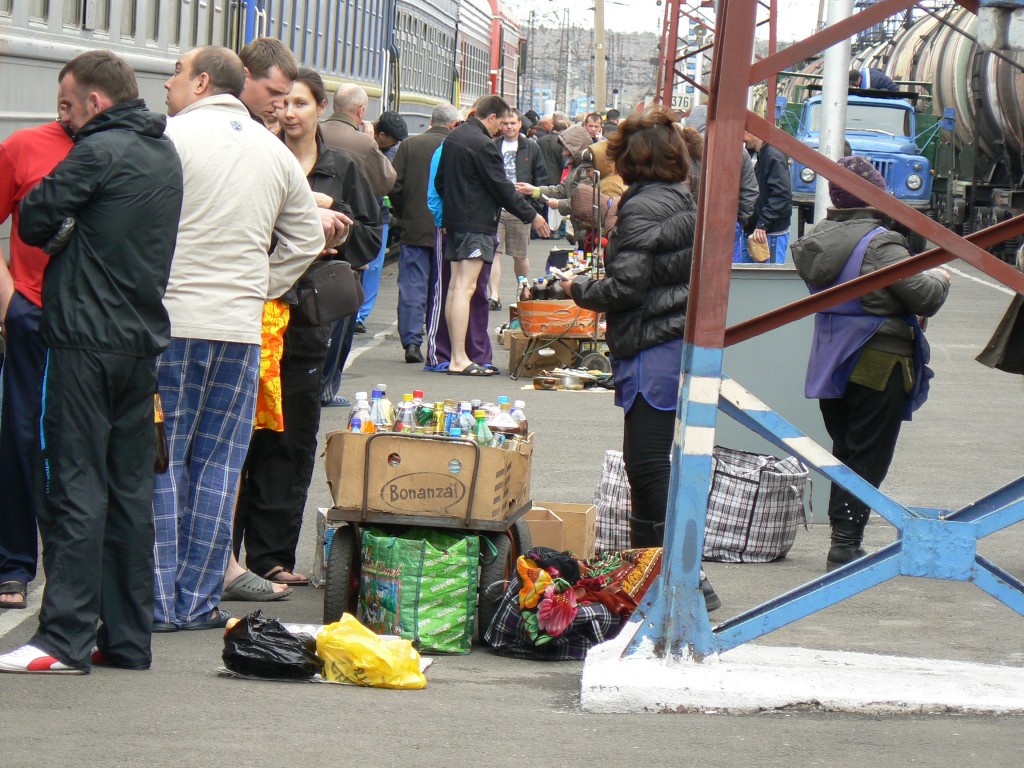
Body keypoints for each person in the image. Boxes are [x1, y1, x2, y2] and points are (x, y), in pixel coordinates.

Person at [0, 50, 184, 674]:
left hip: (80, 341)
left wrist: (67, 220)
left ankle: (63, 639)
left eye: (67, 107)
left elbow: (32, 218)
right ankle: (127, 639)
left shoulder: (96, 151)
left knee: (73, 485)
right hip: (138, 343)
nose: (64, 119)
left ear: (95, 103)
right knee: (130, 492)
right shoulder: (163, 154)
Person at [152, 44, 325, 632]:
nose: (169, 82)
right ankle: (200, 601)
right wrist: (260, 286)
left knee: (163, 460)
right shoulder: (270, 150)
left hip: (172, 325)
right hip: (240, 331)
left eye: (177, 72)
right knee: (220, 465)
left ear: (202, 82)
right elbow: (305, 237)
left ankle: (159, 599)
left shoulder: (170, 140)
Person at [555, 107, 720, 612]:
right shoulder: (682, 199)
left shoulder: (643, 206)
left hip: (652, 343)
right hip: (669, 339)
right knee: (648, 463)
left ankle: (680, 575)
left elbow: (627, 286)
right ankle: (651, 569)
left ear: (634, 159)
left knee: (646, 465)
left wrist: (579, 288)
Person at [233, 69, 381, 587]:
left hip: (308, 321)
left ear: (320, 108)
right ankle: (224, 557)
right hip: (251, 314)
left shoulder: (341, 167)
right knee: (238, 442)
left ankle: (271, 556)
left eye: (300, 103)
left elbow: (371, 239)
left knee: (291, 441)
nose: (289, 111)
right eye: (284, 102)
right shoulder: (256, 156)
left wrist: (337, 232)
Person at [791, 155, 951, 571]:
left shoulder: (818, 238)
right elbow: (923, 295)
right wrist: (941, 280)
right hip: (879, 359)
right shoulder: (882, 242)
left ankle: (843, 539)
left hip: (830, 358)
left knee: (846, 447)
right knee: (868, 454)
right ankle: (846, 543)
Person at [0, 115, 73, 610]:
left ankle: (74, 573)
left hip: (97, 323)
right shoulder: (24, 146)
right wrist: (10, 302)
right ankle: (14, 564)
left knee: (84, 446)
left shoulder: (129, 150)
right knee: (21, 435)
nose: (64, 113)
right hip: (32, 312)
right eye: (60, 104)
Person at [435, 95, 550, 376]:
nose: (501, 128)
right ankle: (460, 359)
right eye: (500, 122)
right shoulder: (483, 145)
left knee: (455, 288)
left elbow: (440, 181)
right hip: (476, 225)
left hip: (457, 222)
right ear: (491, 117)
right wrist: (532, 215)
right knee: (465, 288)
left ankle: (455, 355)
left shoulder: (454, 138)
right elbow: (501, 187)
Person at [319, 84, 395, 403]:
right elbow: (387, 181)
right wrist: (370, 140)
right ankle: (327, 386)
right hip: (346, 237)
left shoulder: (315, 132)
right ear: (361, 111)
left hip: (311, 236)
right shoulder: (362, 142)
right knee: (342, 318)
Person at [391, 102, 460, 364]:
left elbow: (395, 186)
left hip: (414, 229)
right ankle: (436, 341)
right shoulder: (457, 147)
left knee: (412, 286)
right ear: (453, 123)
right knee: (441, 286)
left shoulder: (409, 145)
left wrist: (405, 212)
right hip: (447, 229)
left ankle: (411, 341)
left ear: (431, 120)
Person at [487, 108, 550, 310]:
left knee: (519, 254)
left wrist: (534, 207)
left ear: (520, 124)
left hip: (520, 206)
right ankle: (494, 295)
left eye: (513, 123)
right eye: (505, 123)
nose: (509, 127)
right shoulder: (493, 146)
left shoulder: (531, 147)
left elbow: (540, 176)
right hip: (496, 206)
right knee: (494, 251)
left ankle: (521, 286)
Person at [355, 110, 407, 334]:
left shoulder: (392, 151)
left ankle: (361, 315)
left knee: (374, 266)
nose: (395, 145)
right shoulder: (361, 142)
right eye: (392, 140)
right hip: (359, 211)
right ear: (381, 134)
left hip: (379, 214)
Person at [684, 104, 758, 259]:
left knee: (691, 271)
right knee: (730, 273)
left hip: (691, 224)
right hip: (727, 222)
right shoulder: (738, 150)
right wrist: (739, 220)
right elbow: (750, 190)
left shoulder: (684, 152)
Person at [514, 124, 596, 250]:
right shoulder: (577, 168)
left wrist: (558, 204)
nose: (563, 153)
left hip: (588, 230)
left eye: (566, 149)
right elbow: (561, 190)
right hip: (581, 230)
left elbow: (584, 202)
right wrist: (534, 190)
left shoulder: (586, 170)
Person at [739, 129, 792, 264]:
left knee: (768, 278)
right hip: (755, 229)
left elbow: (781, 195)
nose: (742, 140)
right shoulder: (757, 154)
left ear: (753, 132)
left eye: (743, 134)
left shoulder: (773, 156)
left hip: (768, 232)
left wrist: (763, 224)